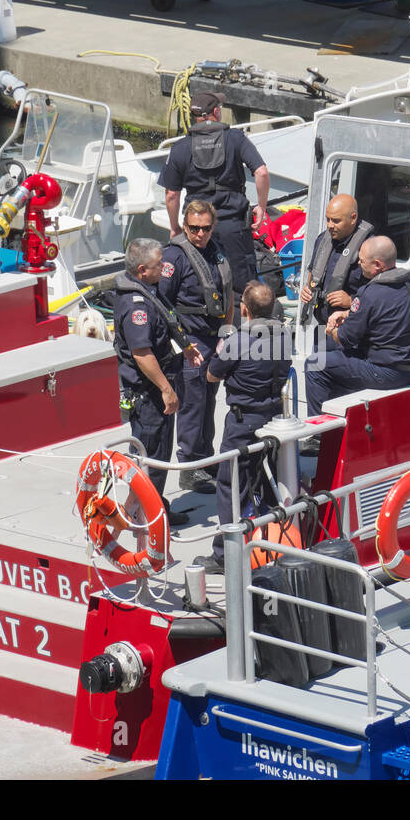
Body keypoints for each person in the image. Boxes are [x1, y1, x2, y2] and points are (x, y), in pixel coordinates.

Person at [192, 281, 293, 573]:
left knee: (230, 485)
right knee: (270, 480)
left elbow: (212, 375)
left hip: (242, 421)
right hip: (274, 418)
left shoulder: (236, 340)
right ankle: (276, 542)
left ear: (245, 310)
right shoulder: (286, 336)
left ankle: (225, 555)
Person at [113, 238, 204, 525]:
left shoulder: (150, 289)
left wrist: (186, 347)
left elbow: (167, 323)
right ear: (142, 270)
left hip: (160, 386)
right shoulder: (135, 306)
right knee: (149, 456)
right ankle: (135, 514)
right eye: (158, 264)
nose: (165, 267)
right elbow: (142, 354)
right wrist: (167, 390)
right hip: (149, 394)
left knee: (160, 454)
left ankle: (155, 507)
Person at [304, 235, 410, 422]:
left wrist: (330, 330)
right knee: (332, 355)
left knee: (315, 362)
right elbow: (384, 314)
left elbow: (345, 338)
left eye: (362, 261)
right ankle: (345, 412)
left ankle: (317, 433)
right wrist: (347, 314)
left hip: (389, 373)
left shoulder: (369, 293)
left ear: (377, 265)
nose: (359, 264)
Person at [159, 91, 270, 293]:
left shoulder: (180, 148)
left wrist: (175, 227)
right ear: (217, 112)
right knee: (243, 287)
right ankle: (240, 322)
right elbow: (261, 172)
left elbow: (171, 194)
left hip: (196, 229)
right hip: (233, 226)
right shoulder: (236, 139)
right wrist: (261, 207)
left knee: (199, 284)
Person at [157, 199, 233, 495]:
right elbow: (163, 304)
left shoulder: (216, 252)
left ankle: (204, 458)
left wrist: (227, 333)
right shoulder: (174, 257)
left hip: (216, 337)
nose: (199, 234)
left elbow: (227, 295)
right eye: (193, 228)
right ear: (184, 226)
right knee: (192, 404)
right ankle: (189, 467)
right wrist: (181, 343)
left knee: (209, 400)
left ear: (212, 226)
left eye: (204, 228)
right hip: (190, 341)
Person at [297, 193, 374, 328]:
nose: (330, 225)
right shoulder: (323, 240)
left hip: (349, 330)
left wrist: (351, 301)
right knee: (319, 349)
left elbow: (379, 295)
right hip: (322, 326)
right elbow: (313, 271)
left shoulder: (369, 248)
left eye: (336, 221)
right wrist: (307, 289)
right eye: (328, 219)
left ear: (353, 218)